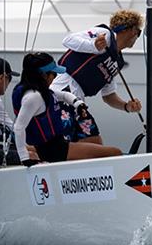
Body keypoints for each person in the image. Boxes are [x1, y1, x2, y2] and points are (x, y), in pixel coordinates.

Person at [51, 9, 144, 144]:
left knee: (94, 142)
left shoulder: (117, 62)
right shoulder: (105, 35)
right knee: (61, 143)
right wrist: (93, 45)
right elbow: (68, 40)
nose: (137, 36)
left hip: (79, 101)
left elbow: (108, 96)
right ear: (127, 30)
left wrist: (126, 107)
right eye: (138, 31)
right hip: (64, 91)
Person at [13, 52, 122, 166]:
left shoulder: (40, 91)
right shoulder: (33, 97)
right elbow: (19, 127)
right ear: (44, 76)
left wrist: (78, 104)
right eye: (54, 74)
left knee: (95, 145)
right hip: (54, 150)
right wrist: (24, 158)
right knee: (115, 153)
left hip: (57, 145)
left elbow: (64, 95)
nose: (55, 78)